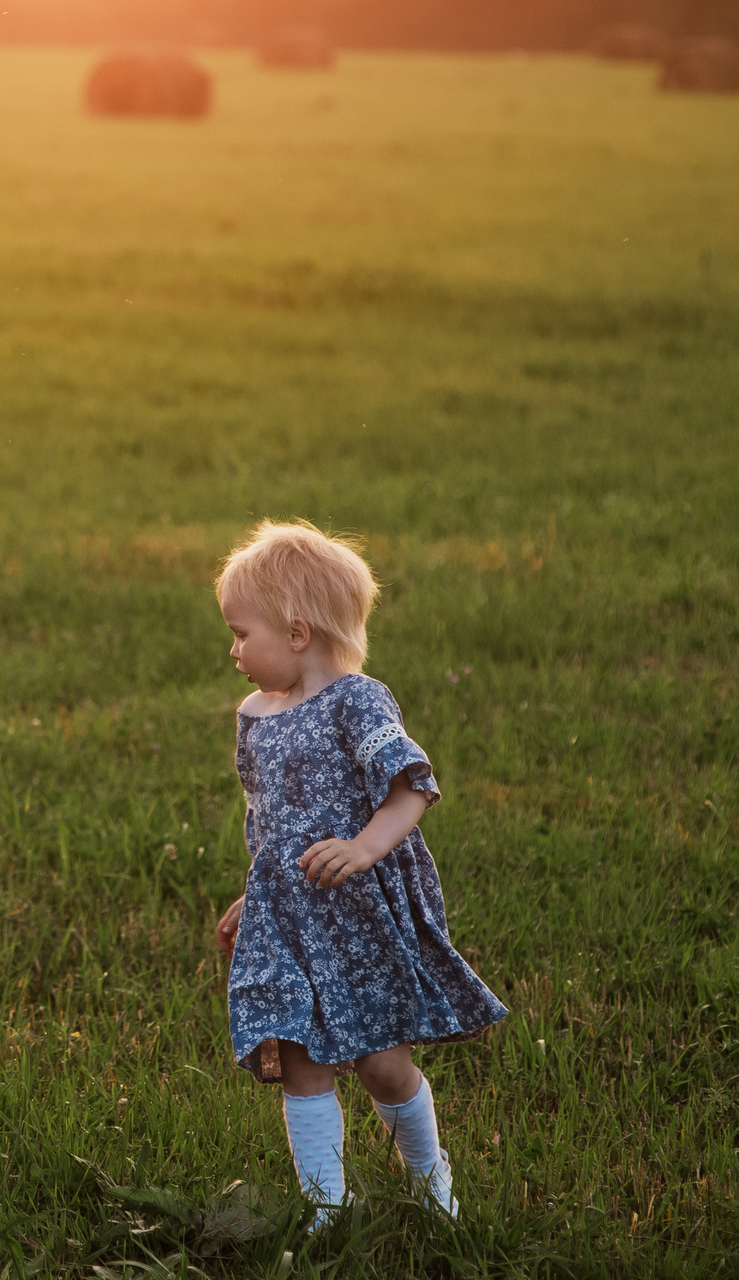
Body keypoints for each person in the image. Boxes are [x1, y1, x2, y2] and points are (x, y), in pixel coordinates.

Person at [210, 521, 506, 1229]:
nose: (234, 651)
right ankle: (327, 1209)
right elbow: (271, 828)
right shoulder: (256, 715)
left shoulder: (358, 700)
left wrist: (365, 846)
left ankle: (431, 1183)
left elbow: (412, 785)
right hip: (289, 916)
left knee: (381, 1064)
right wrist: (256, 895)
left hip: (357, 912)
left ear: (298, 633)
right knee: (302, 1056)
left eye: (242, 633)